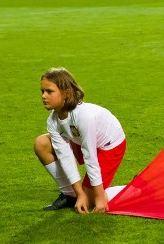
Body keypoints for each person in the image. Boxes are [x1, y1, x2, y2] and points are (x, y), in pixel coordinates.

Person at [34, 67, 126, 213]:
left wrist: (100, 197)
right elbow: (65, 156)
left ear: (66, 93)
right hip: (78, 139)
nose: (44, 96)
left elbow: (90, 156)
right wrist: (79, 194)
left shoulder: (84, 116)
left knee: (91, 202)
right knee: (42, 143)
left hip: (109, 145)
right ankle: (70, 195)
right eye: (42, 91)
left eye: (49, 91)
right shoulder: (52, 120)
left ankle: (134, 187)